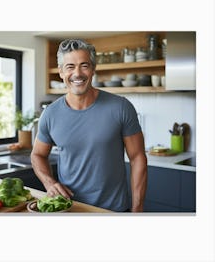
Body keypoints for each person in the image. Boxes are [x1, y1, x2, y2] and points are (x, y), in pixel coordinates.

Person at [31, 39, 147, 212]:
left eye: (84, 65)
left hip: (113, 210)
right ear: (61, 72)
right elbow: (37, 155)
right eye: (70, 66)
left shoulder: (121, 107)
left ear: (93, 70)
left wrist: (137, 210)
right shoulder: (50, 114)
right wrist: (50, 183)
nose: (77, 73)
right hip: (70, 209)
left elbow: (137, 158)